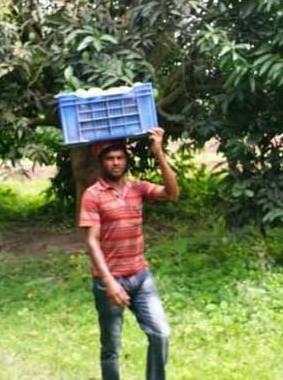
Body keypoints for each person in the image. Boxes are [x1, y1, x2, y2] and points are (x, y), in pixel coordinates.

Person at [79, 128, 179, 380]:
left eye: (120, 158)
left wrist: (159, 153)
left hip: (140, 277)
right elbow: (92, 242)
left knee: (161, 333)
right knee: (111, 347)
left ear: (126, 160)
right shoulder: (92, 195)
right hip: (110, 282)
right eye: (110, 159)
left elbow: (172, 192)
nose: (115, 163)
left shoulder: (138, 188)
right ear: (102, 163)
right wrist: (109, 283)